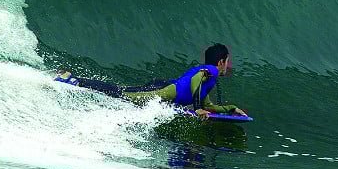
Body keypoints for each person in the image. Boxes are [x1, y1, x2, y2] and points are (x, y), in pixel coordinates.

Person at [55, 43, 247, 118]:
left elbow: (208, 106)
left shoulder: (209, 80)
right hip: (164, 90)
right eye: (227, 61)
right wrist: (197, 108)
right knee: (121, 93)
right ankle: (73, 79)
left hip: (164, 87)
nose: (228, 66)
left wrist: (230, 109)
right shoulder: (211, 70)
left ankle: (75, 79)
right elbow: (196, 79)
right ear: (220, 62)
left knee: (122, 91)